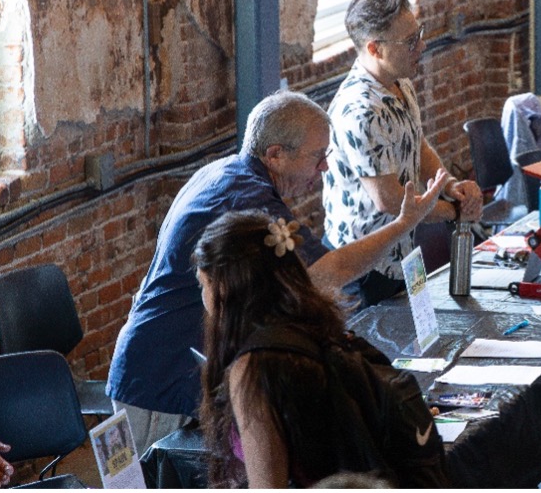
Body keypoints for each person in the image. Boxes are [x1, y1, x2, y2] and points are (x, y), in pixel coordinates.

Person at [107, 90, 446, 456]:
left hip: (169, 363)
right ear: (275, 155)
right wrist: (403, 224)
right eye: (317, 157)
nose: (325, 169)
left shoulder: (228, 173)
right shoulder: (247, 197)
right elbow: (321, 274)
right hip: (160, 374)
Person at [194, 211, 407, 487]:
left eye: (203, 283)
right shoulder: (320, 329)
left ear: (225, 287)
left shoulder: (255, 368)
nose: (202, 297)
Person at [322, 0, 483, 308]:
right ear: (375, 49)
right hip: (367, 264)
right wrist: (454, 212)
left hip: (405, 250)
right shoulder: (362, 111)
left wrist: (450, 186)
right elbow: (389, 200)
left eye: (419, 35)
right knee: (383, 351)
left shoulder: (399, 81)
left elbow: (417, 143)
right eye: (410, 42)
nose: (421, 46)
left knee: (421, 339)